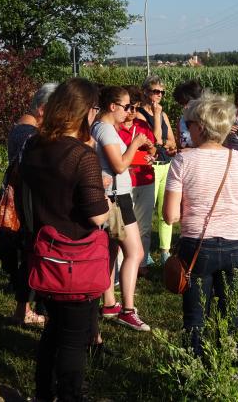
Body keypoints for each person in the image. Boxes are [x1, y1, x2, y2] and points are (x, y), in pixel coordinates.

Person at [18, 78, 110, 402]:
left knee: (52, 331)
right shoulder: (81, 155)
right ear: (86, 111)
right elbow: (97, 215)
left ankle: (44, 393)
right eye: (95, 108)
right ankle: (70, 395)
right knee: (73, 339)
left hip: (44, 252)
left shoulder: (33, 145)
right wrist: (105, 196)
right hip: (76, 259)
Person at [163, 93, 238, 356]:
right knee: (230, 313)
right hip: (237, 244)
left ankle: (194, 367)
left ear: (200, 127)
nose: (187, 129)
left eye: (190, 124)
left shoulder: (183, 161)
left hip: (197, 245)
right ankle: (228, 367)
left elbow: (170, 216)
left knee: (195, 316)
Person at [92, 86, 152, 331]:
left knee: (111, 250)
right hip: (117, 201)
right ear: (112, 106)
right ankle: (128, 310)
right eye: (126, 107)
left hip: (114, 197)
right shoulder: (105, 129)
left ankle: (109, 303)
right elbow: (118, 166)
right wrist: (136, 144)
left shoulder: (101, 127)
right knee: (135, 252)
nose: (130, 112)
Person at [3, 82, 57, 326]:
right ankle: (29, 310)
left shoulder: (23, 128)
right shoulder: (29, 134)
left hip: (26, 199)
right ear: (43, 109)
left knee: (30, 254)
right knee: (34, 254)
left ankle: (23, 309)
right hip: (31, 202)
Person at [136, 75, 177, 264]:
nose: (159, 95)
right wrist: (157, 116)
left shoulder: (163, 114)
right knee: (145, 212)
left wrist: (166, 144)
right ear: (145, 92)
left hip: (165, 164)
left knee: (165, 210)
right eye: (156, 91)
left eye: (162, 92)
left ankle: (165, 250)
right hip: (149, 166)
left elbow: (171, 141)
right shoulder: (139, 115)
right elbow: (156, 139)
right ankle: (143, 252)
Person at [119, 85, 158, 277]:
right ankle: (120, 265)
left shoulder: (142, 126)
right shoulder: (114, 127)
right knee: (122, 227)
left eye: (136, 108)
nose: (133, 112)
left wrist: (151, 151)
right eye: (130, 108)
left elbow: (153, 151)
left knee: (144, 225)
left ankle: (141, 262)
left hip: (144, 179)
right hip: (124, 182)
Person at [173, 79, 204, 150]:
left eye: (187, 102)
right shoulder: (181, 121)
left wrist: (190, 151)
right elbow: (179, 145)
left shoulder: (208, 121)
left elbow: (212, 146)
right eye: (181, 103)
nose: (185, 107)